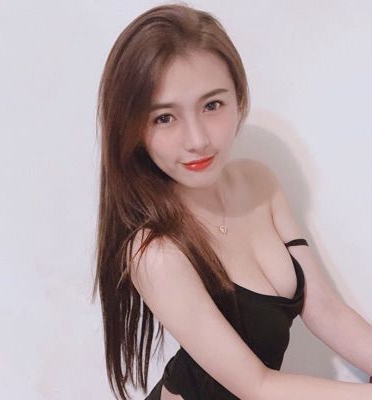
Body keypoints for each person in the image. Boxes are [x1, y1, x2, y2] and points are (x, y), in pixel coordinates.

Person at [92, 3, 372, 400]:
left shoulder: (259, 182)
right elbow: (256, 386)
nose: (197, 140)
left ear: (238, 98)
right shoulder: (155, 251)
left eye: (212, 105)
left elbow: (325, 309)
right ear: (133, 129)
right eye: (164, 118)